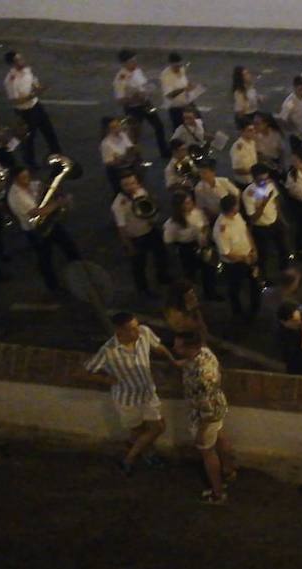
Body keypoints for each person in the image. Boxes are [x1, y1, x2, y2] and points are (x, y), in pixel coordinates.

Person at [83, 312, 178, 476]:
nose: (137, 332)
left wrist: (172, 360)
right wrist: (106, 380)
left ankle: (128, 458)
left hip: (148, 393)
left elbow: (158, 346)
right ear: (120, 331)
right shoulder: (108, 351)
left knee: (158, 427)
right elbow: (85, 371)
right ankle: (148, 455)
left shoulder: (144, 333)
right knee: (139, 432)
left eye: (136, 326)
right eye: (132, 329)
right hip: (127, 399)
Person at [174, 331, 235, 505]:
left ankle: (217, 493)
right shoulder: (205, 352)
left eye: (178, 346)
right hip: (219, 404)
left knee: (207, 452)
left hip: (204, 415)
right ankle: (229, 471)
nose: (174, 348)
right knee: (220, 436)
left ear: (189, 347)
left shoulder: (201, 376)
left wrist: (200, 432)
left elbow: (205, 410)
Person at [6, 166, 83, 295]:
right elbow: (36, 213)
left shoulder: (30, 184)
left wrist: (54, 189)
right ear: (15, 180)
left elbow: (44, 188)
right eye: (23, 178)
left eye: (27, 176)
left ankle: (82, 271)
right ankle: (53, 286)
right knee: (45, 259)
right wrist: (57, 203)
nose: (27, 180)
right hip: (36, 230)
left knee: (70, 246)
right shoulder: (15, 196)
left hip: (49, 223)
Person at [113, 171, 172, 296]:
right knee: (139, 265)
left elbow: (150, 209)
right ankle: (143, 289)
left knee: (161, 254)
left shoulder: (141, 192)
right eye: (126, 185)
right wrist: (128, 246)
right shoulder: (118, 205)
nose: (130, 187)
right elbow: (121, 228)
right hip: (135, 237)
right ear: (121, 186)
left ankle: (162, 276)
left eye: (133, 183)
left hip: (150, 230)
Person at [3, 51, 62, 169]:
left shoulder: (27, 70)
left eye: (21, 58)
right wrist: (33, 95)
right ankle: (30, 162)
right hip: (24, 112)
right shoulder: (11, 80)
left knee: (49, 131)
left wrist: (39, 88)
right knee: (29, 138)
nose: (22, 61)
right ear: (12, 63)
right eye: (18, 60)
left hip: (36, 106)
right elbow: (15, 101)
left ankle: (57, 154)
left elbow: (33, 82)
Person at [163, 190, 221, 301]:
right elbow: (168, 241)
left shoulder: (197, 212)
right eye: (187, 203)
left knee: (209, 270)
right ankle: (190, 296)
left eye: (190, 201)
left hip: (201, 244)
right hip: (187, 248)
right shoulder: (172, 223)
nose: (191, 204)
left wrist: (205, 236)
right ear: (179, 206)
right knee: (190, 274)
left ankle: (210, 293)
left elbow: (205, 225)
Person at [213, 193, 261, 321]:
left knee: (255, 283)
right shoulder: (221, 228)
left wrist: (253, 249)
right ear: (232, 209)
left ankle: (255, 308)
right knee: (235, 288)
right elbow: (226, 253)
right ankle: (237, 312)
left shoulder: (237, 216)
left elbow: (245, 231)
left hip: (248, 257)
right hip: (235, 264)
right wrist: (243, 259)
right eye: (236, 206)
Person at [113, 49, 169, 158]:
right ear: (125, 63)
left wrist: (147, 90)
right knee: (135, 135)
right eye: (132, 61)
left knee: (159, 126)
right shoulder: (120, 79)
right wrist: (134, 98)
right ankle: (134, 157)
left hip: (146, 104)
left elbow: (143, 84)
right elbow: (120, 100)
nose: (135, 63)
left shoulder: (137, 71)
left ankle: (164, 151)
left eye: (135, 60)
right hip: (133, 109)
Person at [243, 163, 291, 279]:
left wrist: (282, 219)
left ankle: (285, 271)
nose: (264, 183)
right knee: (263, 255)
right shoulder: (249, 194)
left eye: (266, 178)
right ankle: (264, 278)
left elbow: (275, 202)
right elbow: (253, 218)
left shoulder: (270, 184)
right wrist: (262, 204)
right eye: (261, 180)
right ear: (254, 178)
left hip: (275, 223)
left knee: (284, 248)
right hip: (261, 228)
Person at [100, 115, 142, 194]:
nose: (118, 128)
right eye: (114, 127)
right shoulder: (105, 144)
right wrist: (122, 158)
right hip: (118, 172)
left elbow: (130, 147)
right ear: (107, 130)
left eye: (118, 125)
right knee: (123, 193)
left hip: (130, 167)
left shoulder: (123, 135)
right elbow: (108, 163)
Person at [159, 53, 199, 131]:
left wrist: (190, 86)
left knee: (198, 124)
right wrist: (184, 89)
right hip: (176, 107)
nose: (179, 68)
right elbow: (169, 95)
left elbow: (185, 81)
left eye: (180, 65)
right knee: (179, 130)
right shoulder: (166, 76)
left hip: (188, 104)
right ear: (170, 64)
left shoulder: (181, 69)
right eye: (176, 66)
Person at [277, 76, 302, 141]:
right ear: (294, 88)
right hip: (297, 135)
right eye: (301, 89)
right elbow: (282, 120)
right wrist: (295, 131)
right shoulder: (289, 103)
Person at [229, 120, 258, 187]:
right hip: (244, 182)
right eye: (250, 130)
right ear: (242, 132)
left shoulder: (252, 142)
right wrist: (255, 171)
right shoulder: (238, 147)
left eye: (254, 129)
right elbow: (237, 169)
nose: (254, 132)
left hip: (254, 179)